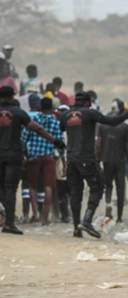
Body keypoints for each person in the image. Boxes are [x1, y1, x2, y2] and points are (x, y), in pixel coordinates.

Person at [60, 92, 128, 238]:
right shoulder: (91, 113)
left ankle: (76, 228)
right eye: (90, 102)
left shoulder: (65, 115)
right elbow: (113, 121)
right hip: (86, 158)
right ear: (87, 102)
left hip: (71, 160)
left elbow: (62, 129)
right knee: (98, 188)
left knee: (75, 193)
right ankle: (86, 220)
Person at [0, 86, 65, 235]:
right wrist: (55, 141)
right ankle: (9, 222)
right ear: (12, 96)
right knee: (10, 188)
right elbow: (37, 129)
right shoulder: (19, 113)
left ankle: (5, 214)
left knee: (2, 188)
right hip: (14, 156)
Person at [21, 97, 64, 225]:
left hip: (33, 156)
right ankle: (45, 218)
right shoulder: (55, 122)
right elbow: (60, 141)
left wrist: (25, 153)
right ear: (51, 108)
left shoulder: (33, 120)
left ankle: (35, 215)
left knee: (32, 186)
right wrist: (60, 156)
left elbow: (24, 137)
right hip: (49, 157)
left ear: (40, 107)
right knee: (48, 186)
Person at [96, 99, 128, 223]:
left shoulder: (102, 124)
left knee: (108, 186)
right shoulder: (125, 126)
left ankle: (108, 206)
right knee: (120, 188)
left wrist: (97, 160)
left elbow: (99, 144)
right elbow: (127, 148)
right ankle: (120, 217)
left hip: (106, 160)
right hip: (120, 161)